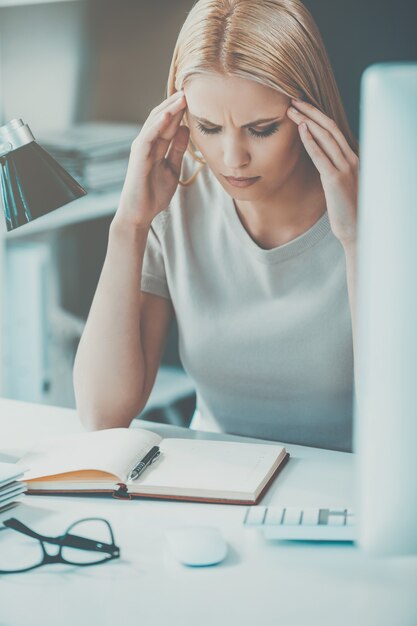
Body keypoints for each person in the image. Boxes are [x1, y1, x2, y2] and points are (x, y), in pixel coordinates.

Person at [73, 0, 359, 452]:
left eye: (262, 129)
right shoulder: (175, 202)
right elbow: (101, 413)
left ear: (311, 112)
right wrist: (130, 224)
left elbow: (401, 399)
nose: (232, 159)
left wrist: (357, 237)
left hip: (353, 487)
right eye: (207, 127)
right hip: (218, 485)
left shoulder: (375, 204)